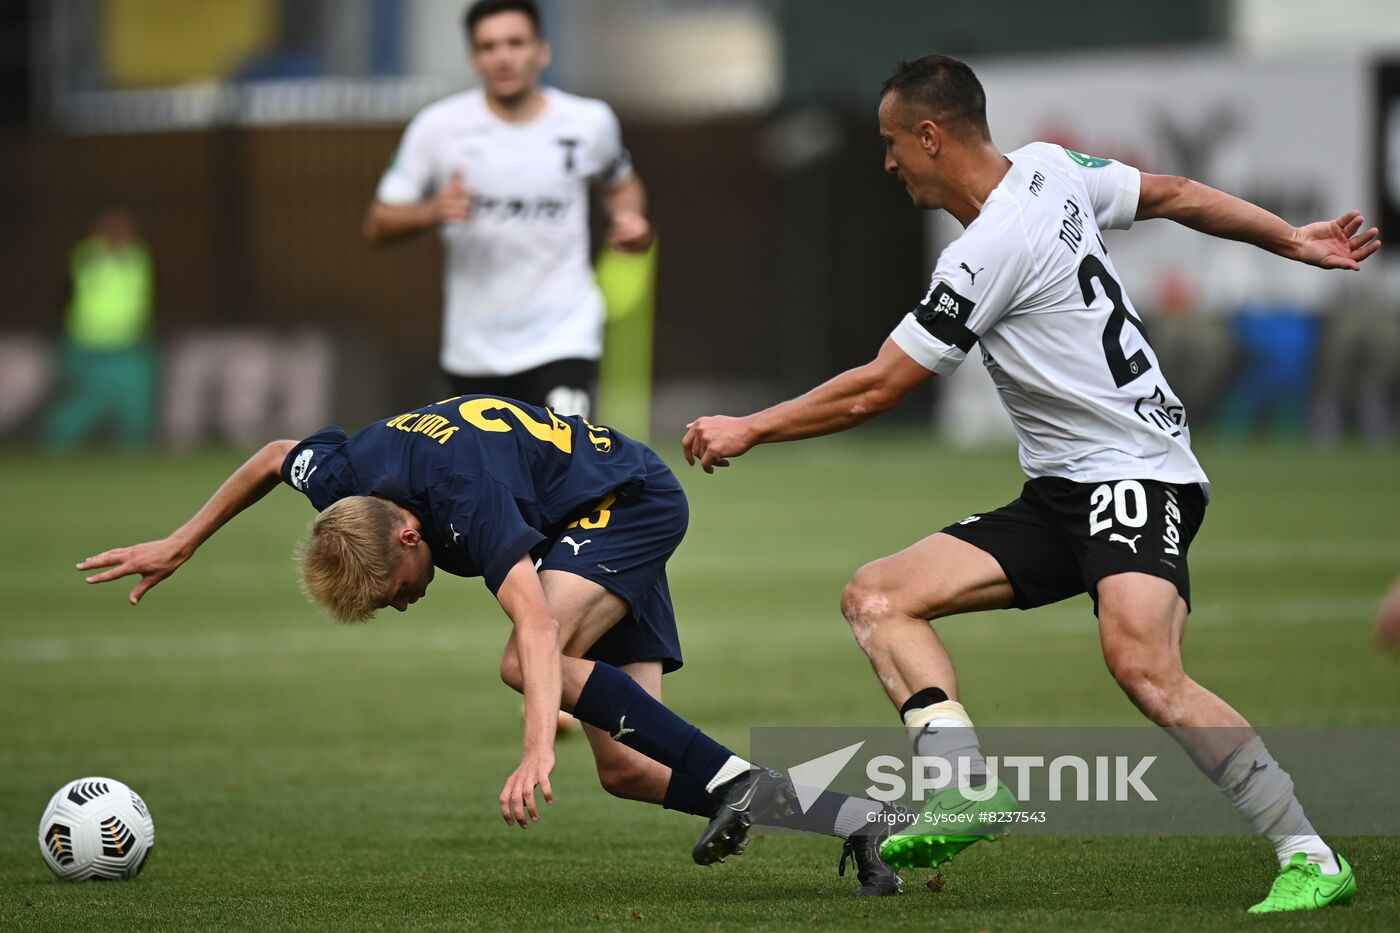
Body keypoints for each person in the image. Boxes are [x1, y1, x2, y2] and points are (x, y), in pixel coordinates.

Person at [682, 55, 1380, 914]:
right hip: (1061, 491)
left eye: (893, 143)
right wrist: (1291, 236)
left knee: (1145, 668)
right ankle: (965, 786)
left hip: (1136, 472)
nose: (888, 162)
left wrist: (750, 426)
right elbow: (1173, 190)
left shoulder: (986, 252)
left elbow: (878, 386)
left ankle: (1309, 852)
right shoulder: (1052, 166)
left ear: (931, 135)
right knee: (878, 597)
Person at [77, 394, 909, 895]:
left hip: (627, 502)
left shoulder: (456, 494)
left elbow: (537, 627)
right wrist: (183, 540)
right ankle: (855, 820)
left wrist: (536, 747)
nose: (403, 607)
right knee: (631, 769)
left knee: (523, 660)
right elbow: (269, 457)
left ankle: (740, 781)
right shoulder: (340, 482)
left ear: (409, 535)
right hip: (579, 518)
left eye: (395, 592)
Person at [362, 0, 652, 419]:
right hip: (475, 347)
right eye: (489, 46)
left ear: (542, 51)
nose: (503, 57)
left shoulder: (589, 122)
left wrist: (629, 219)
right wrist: (431, 211)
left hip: (563, 332)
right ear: (473, 58)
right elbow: (377, 223)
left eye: (516, 43)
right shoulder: (438, 128)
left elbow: (621, 183)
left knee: (565, 466)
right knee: (487, 482)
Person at [44, 208, 157, 453]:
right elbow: (65, 295)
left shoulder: (137, 257)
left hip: (129, 344)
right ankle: (55, 446)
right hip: (90, 345)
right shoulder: (87, 257)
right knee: (89, 403)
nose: (119, 234)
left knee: (135, 405)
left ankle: (136, 458)